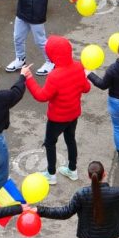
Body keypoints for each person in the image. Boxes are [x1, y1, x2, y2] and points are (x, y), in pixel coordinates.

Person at [23, 36, 90, 182]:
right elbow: (86, 88)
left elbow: (42, 96)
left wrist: (29, 78)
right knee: (70, 139)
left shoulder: (55, 76)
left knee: (50, 143)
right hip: (73, 114)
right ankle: (72, 170)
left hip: (57, 119)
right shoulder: (79, 66)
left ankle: (51, 174)